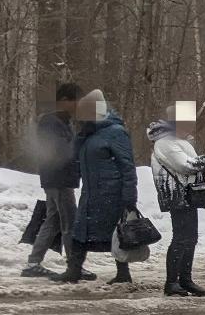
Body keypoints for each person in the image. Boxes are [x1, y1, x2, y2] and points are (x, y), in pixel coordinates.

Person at [50, 90, 139, 285]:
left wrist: (129, 198)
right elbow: (75, 159)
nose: (79, 120)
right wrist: (80, 138)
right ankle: (73, 269)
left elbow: (128, 167)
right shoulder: (88, 134)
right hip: (91, 194)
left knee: (116, 234)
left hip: (111, 194)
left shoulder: (116, 132)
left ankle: (123, 273)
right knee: (80, 232)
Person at [148, 104, 205, 297]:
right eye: (186, 122)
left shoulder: (182, 141)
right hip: (176, 195)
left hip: (188, 195)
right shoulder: (165, 143)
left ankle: (185, 280)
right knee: (181, 239)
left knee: (191, 238)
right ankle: (171, 283)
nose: (190, 126)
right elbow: (186, 166)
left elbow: (193, 167)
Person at [22, 82, 86, 278]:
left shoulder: (62, 122)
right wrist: (80, 144)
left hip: (58, 178)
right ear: (64, 101)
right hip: (59, 179)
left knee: (54, 220)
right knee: (69, 222)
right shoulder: (51, 122)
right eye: (77, 101)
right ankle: (73, 265)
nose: (79, 106)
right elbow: (60, 152)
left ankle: (34, 262)